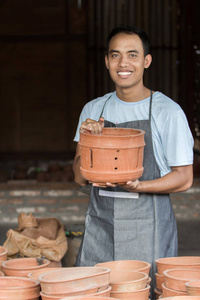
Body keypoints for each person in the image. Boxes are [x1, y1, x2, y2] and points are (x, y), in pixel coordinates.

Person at [73, 25, 194, 299]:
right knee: (93, 292)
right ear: (106, 61)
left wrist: (139, 185)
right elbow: (79, 177)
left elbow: (184, 178)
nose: (123, 63)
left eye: (132, 55)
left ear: (146, 61)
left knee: (141, 292)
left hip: (147, 226)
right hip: (100, 225)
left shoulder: (168, 111)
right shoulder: (94, 109)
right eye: (115, 55)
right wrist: (87, 140)